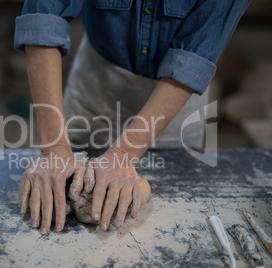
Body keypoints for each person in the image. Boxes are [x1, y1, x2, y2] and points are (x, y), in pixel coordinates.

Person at [14, 0, 251, 234]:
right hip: (97, 81)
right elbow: (43, 18)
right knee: (57, 177)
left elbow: (195, 54)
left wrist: (124, 154)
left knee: (167, 201)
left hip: (174, 101)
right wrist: (54, 148)